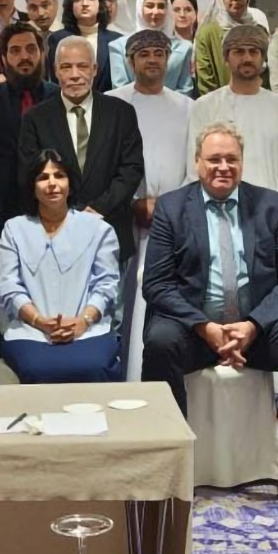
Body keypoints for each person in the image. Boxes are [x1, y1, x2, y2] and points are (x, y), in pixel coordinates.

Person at [141, 123, 278, 517]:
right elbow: (156, 284)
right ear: (197, 163)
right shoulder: (173, 207)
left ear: (242, 163)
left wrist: (252, 325)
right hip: (193, 329)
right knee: (159, 342)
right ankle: (171, 468)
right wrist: (205, 328)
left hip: (254, 329)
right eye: (214, 159)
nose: (222, 167)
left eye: (231, 159)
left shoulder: (271, 205)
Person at [106, 29, 195, 376]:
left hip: (173, 219)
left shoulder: (187, 106)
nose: (153, 60)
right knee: (121, 302)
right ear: (131, 61)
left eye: (160, 52)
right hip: (123, 216)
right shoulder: (112, 101)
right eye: (144, 54)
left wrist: (168, 207)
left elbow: (193, 164)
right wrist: (133, 202)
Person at [0, 151, 122, 382]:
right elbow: (6, 285)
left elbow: (107, 284)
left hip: (88, 329)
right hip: (30, 331)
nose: (52, 183)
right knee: (36, 368)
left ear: (70, 184)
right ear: (32, 187)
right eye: (43, 177)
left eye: (59, 175)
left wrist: (83, 321)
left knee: (94, 365)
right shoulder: (13, 229)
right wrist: (40, 322)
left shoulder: (99, 229)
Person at [19, 36, 146, 263]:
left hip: (110, 230)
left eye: (83, 66)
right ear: (55, 71)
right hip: (54, 234)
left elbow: (131, 170)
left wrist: (96, 210)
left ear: (95, 69)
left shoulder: (121, 113)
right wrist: (67, 216)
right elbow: (30, 174)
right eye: (67, 67)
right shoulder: (35, 118)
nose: (75, 75)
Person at [0, 24, 59, 292]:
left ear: (42, 53)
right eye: (15, 51)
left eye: (31, 49)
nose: (24, 57)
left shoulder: (60, 99)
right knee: (1, 299)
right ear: (3, 58)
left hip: (52, 218)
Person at [187, 25, 278, 207]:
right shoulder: (205, 106)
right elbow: (195, 164)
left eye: (254, 52)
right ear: (226, 58)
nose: (247, 58)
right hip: (216, 208)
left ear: (263, 58)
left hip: (270, 210)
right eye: (238, 52)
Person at [45, 0, 123, 92]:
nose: (85, 4)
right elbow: (55, 80)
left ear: (100, 4)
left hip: (107, 103)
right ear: (71, 5)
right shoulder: (57, 38)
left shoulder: (116, 40)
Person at [106, 0, 188, 91]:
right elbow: (120, 88)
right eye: (150, 6)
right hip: (129, 106)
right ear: (140, 7)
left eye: (161, 6)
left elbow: (185, 89)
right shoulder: (118, 46)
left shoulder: (184, 48)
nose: (155, 11)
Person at [193, 0, 260, 95]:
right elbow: (205, 77)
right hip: (218, 105)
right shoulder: (207, 32)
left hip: (254, 101)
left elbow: (264, 72)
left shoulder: (258, 31)